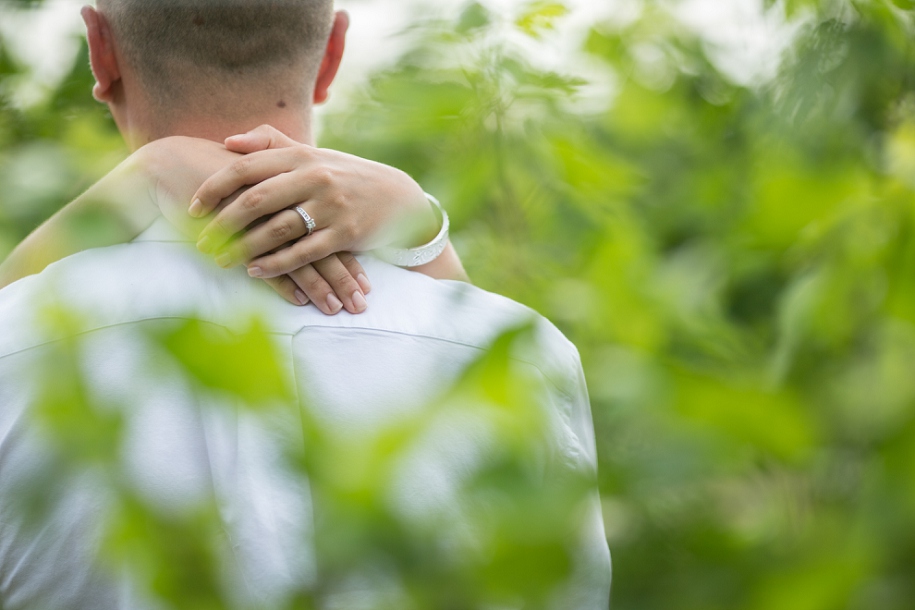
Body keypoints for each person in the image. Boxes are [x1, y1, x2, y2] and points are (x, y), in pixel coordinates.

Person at [0, 1, 611, 608]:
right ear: (332, 54)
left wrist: (136, 182)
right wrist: (421, 232)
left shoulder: (19, 337)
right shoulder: (520, 354)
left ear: (99, 51)